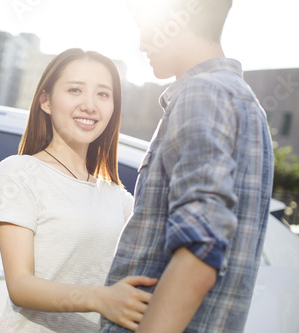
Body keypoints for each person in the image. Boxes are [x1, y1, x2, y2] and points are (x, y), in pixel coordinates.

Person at [101, 0, 274, 332]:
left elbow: (201, 247)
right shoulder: (245, 103)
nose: (141, 43)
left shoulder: (202, 93)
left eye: (143, 24)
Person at [0, 48, 157, 332]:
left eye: (103, 94)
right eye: (75, 90)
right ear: (46, 101)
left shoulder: (117, 197)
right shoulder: (20, 172)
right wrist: (101, 299)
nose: (90, 105)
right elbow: (20, 286)